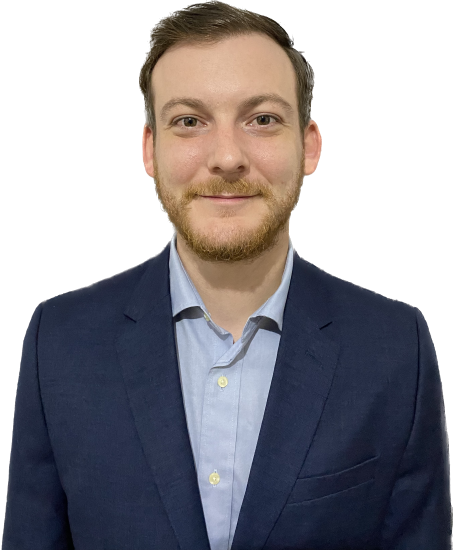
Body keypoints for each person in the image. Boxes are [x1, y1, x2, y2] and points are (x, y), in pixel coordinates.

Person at [3, 2, 450, 549]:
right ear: (150, 149)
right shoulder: (60, 340)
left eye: (262, 119)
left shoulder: (395, 346)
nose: (227, 157)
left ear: (308, 145)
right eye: (189, 121)